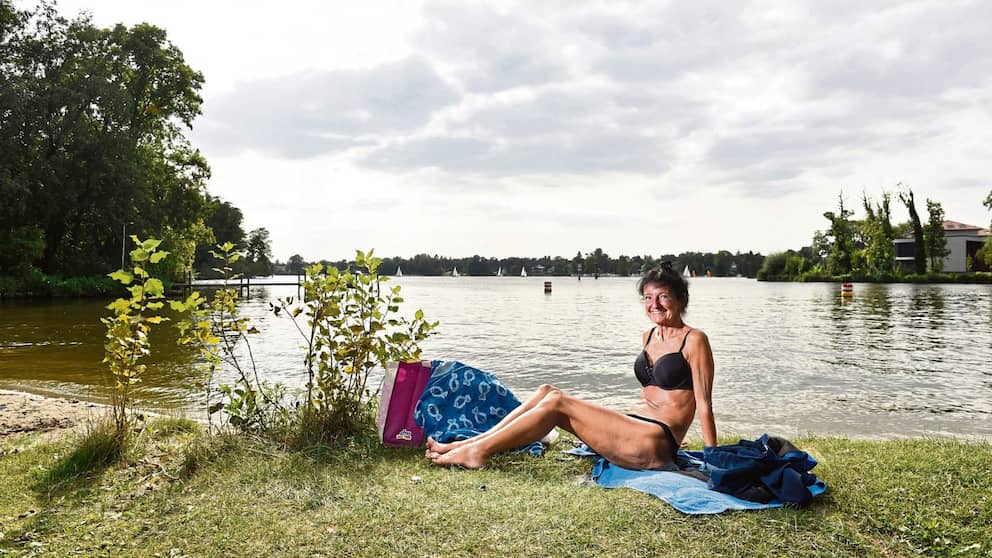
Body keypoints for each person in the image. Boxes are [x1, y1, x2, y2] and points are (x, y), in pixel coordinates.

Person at [426, 263, 717, 469]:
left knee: (556, 403)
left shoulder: (694, 340)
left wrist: (714, 459)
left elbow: (703, 405)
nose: (654, 304)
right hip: (632, 428)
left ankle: (476, 452)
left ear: (681, 299)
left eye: (663, 296)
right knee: (546, 390)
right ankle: (467, 444)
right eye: (648, 297)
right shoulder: (649, 335)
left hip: (655, 442)